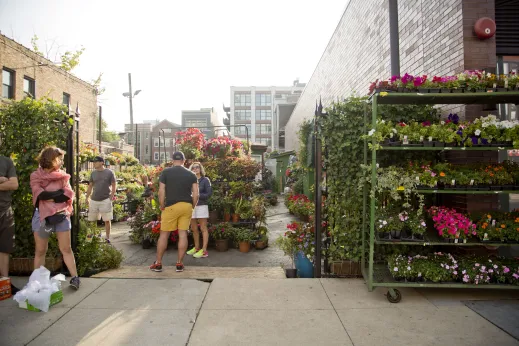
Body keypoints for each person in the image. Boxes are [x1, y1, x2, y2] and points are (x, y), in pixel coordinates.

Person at [30, 147, 80, 289]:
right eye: (60, 159)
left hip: (61, 216)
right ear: (51, 159)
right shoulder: (35, 176)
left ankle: (75, 278)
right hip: (42, 217)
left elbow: (67, 195)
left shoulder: (63, 176)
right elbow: (40, 195)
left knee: (66, 248)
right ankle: (36, 283)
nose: (62, 162)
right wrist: (57, 194)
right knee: (40, 251)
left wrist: (52, 196)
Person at [150, 151, 198, 272]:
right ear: (184, 160)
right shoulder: (191, 174)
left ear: (172, 160)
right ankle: (179, 263)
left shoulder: (165, 172)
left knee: (164, 235)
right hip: (186, 205)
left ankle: (158, 263)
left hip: (171, 206)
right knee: (183, 234)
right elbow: (196, 193)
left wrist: (161, 205)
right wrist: (192, 205)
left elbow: (161, 191)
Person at [85, 156, 116, 243]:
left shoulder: (109, 172)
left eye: (96, 162)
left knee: (107, 220)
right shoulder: (93, 173)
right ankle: (89, 239)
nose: (94, 163)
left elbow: (114, 184)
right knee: (91, 221)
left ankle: (107, 238)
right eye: (93, 162)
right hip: (94, 200)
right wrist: (87, 197)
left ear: (102, 162)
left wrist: (111, 196)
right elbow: (90, 186)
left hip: (105, 199)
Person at [0, 155, 19, 294]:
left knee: (5, 248)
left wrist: (6, 181)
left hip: (5, 210)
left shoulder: (6, 161)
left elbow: (14, 184)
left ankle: (4, 283)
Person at [186, 162, 212, 259]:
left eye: (197, 167)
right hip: (191, 206)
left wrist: (197, 195)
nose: (195, 169)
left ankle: (204, 250)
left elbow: (208, 194)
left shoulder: (205, 180)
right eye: (193, 168)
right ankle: (197, 248)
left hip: (201, 206)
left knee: (203, 228)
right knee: (194, 228)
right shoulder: (189, 181)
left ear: (200, 169)